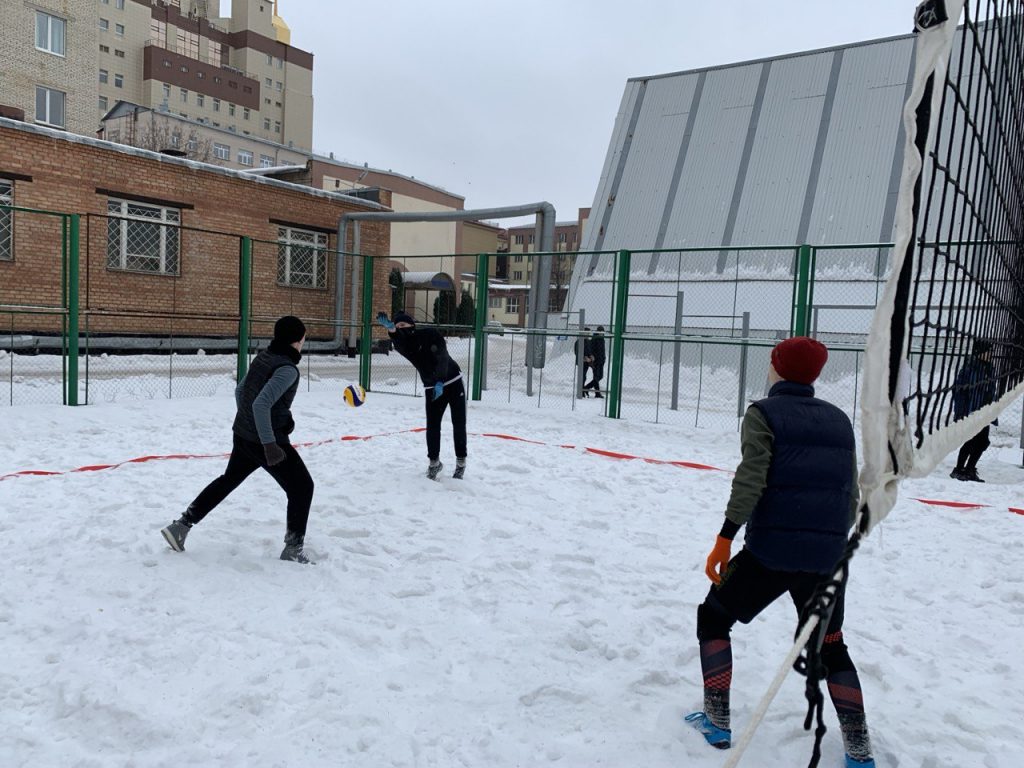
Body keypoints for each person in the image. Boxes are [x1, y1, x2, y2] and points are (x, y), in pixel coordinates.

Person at [687, 336, 875, 768]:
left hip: (769, 553)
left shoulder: (762, 414)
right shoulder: (839, 420)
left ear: (775, 368)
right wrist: (824, 542)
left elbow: (750, 480)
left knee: (714, 616)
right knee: (831, 645)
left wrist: (724, 537)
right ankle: (859, 750)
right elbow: (850, 497)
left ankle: (717, 720)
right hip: (827, 558)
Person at [159, 315, 315, 564]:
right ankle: (293, 549)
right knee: (302, 487)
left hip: (244, 436)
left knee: (228, 480)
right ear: (299, 339)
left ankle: (181, 526)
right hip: (266, 442)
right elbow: (261, 404)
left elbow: (240, 391)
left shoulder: (264, 357)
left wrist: (250, 424)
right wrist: (268, 444)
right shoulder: (287, 369)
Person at [377, 310, 467, 480]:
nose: (400, 328)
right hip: (432, 387)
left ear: (412, 325)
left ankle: (461, 462)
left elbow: (442, 357)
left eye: (403, 325)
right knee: (433, 426)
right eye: (397, 326)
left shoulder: (430, 334)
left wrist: (440, 380)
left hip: (453, 380)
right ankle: (434, 463)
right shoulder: (403, 346)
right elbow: (400, 341)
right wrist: (391, 330)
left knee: (459, 423)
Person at [950, 339, 996, 482]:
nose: (990, 354)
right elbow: (959, 392)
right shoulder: (969, 368)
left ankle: (969, 469)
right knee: (970, 441)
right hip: (971, 412)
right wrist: (962, 413)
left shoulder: (989, 368)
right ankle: (958, 470)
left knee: (982, 442)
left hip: (985, 412)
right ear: (980, 352)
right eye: (988, 351)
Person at [582, 325, 606, 398]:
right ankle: (597, 393)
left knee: (600, 376)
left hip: (601, 361)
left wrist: (604, 358)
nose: (601, 333)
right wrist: (592, 359)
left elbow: (602, 351)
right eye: (600, 331)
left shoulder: (602, 339)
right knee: (596, 377)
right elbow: (591, 350)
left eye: (602, 332)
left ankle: (586, 388)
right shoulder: (594, 339)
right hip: (596, 361)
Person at [574, 327, 592, 397]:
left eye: (589, 333)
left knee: (584, 377)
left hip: (587, 363)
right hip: (581, 362)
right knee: (582, 376)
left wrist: (591, 356)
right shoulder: (579, 342)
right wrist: (584, 357)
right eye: (587, 333)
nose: (588, 334)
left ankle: (582, 390)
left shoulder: (588, 341)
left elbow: (589, 351)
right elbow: (577, 352)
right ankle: (580, 391)